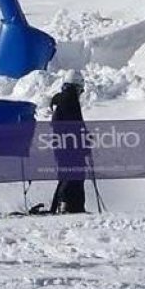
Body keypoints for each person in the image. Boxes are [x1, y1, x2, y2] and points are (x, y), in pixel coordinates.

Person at [51, 70, 88, 214]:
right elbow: (76, 126)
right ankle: (71, 206)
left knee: (66, 176)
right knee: (73, 176)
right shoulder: (70, 101)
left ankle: (63, 205)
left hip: (63, 147)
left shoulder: (61, 100)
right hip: (71, 148)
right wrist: (84, 141)